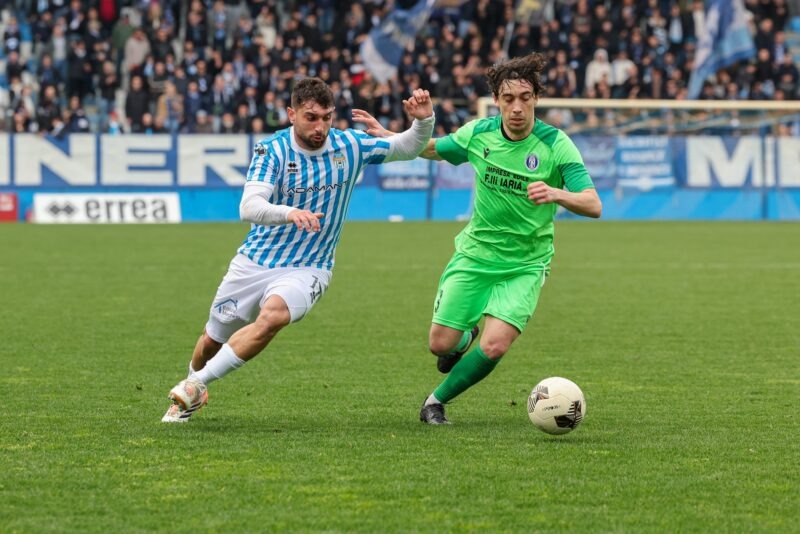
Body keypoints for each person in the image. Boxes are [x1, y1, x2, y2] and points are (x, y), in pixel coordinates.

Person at [162, 77, 435, 422]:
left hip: (310, 266)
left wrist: (423, 121)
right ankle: (192, 386)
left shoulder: (350, 145)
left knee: (273, 316)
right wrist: (289, 213)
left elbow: (407, 147)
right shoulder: (272, 150)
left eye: (327, 117)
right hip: (255, 261)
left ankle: (195, 384)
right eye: (311, 117)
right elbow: (249, 206)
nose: (320, 126)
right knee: (211, 340)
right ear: (292, 114)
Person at [353, 53, 602, 425]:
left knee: (496, 344)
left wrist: (557, 193)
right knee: (440, 344)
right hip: (475, 255)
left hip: (525, 263)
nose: (516, 107)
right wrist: (393, 136)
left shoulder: (556, 144)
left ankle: (435, 402)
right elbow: (434, 149)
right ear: (497, 100)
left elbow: (593, 204)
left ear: (536, 98)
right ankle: (464, 335)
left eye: (525, 98)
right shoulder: (478, 133)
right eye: (508, 98)